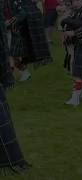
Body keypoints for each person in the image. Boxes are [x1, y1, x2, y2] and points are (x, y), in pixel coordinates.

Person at [0, 1, 31, 174]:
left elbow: (23, 13)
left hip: (9, 33)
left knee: (13, 57)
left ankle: (10, 158)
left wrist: (10, 21)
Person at [7, 0, 52, 82]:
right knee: (11, 55)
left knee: (13, 55)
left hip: (12, 29)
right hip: (9, 28)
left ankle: (21, 73)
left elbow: (23, 13)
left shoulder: (15, 2)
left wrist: (12, 21)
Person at [61, 0, 82, 106]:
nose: (71, 3)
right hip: (78, 44)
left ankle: (75, 99)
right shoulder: (77, 11)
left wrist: (73, 33)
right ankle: (78, 95)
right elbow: (70, 21)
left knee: (77, 73)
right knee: (77, 72)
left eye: (73, 1)